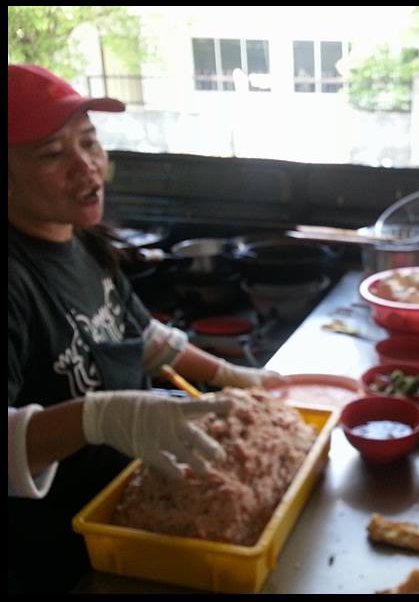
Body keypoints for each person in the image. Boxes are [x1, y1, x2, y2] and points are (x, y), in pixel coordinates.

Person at [7, 64, 286, 592]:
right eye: (51, 154)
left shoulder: (84, 241)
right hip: (63, 553)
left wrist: (233, 375)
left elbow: (146, 340)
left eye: (89, 142)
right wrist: (100, 417)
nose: (86, 166)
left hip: (136, 511)